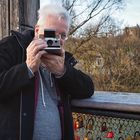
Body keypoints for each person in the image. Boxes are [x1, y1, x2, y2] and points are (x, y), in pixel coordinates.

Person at [0, 4, 94, 140]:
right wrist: (27, 69)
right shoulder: (12, 46)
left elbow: (88, 88)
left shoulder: (63, 59)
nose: (57, 40)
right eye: (51, 34)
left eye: (63, 35)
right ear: (37, 30)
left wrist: (63, 72)